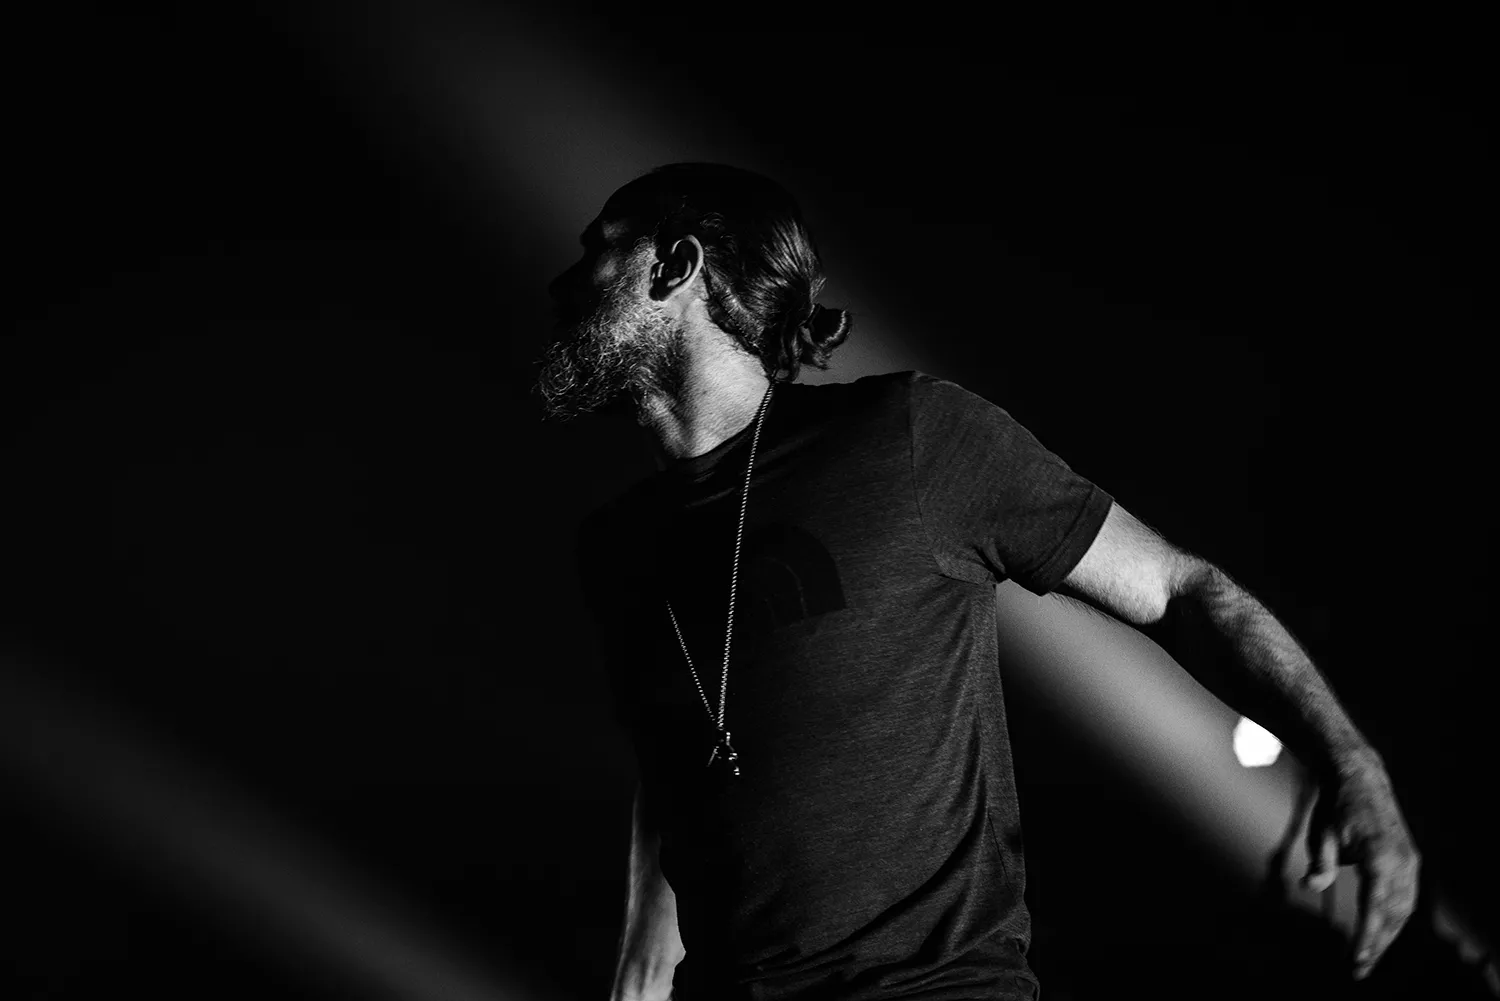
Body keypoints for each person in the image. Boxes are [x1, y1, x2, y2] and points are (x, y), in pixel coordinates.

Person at [535, 163, 1420, 1001]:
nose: (564, 282)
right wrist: (640, 974)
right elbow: (680, 762)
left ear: (676, 266)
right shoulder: (614, 547)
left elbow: (1180, 589)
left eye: (598, 247)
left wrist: (1350, 761)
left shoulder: (909, 436)